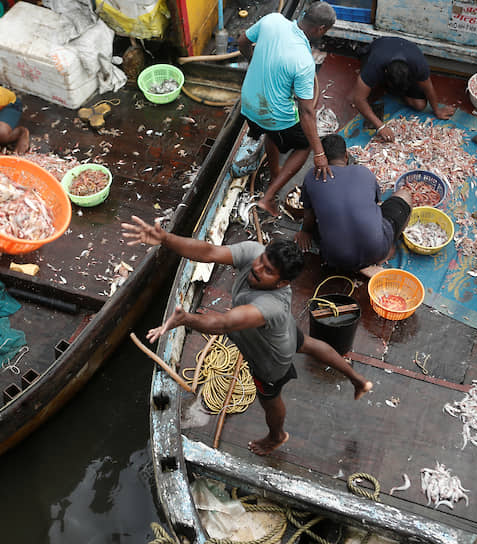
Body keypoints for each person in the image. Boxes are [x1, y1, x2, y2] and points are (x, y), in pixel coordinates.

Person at [122, 216, 373, 456]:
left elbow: (223, 324)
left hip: (271, 359)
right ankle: (358, 380)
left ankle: (277, 436)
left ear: (281, 283)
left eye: (268, 271)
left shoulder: (268, 306)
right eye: (262, 260)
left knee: (269, 397)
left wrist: (187, 319)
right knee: (307, 343)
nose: (257, 268)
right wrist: (166, 238)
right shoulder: (254, 252)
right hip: (285, 330)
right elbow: (209, 252)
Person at [237, 2, 336, 217]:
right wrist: (319, 153)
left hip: (247, 105)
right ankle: (269, 197)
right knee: (304, 145)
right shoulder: (304, 61)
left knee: (273, 135)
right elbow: (307, 112)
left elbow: (242, 41)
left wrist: (253, 60)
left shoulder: (272, 20)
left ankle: (275, 173)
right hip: (273, 116)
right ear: (320, 29)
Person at [294, 134, 412, 277]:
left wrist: (305, 232)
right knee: (404, 195)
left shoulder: (312, 177)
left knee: (328, 224)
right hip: (377, 250)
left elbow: (309, 213)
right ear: (346, 156)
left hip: (335, 258)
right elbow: (374, 205)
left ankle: (357, 265)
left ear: (320, 158)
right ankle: (385, 251)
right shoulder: (364, 172)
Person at [352, 37, 455, 142]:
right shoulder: (374, 65)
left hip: (404, 55)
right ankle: (381, 84)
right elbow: (358, 99)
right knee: (365, 89)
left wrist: (436, 110)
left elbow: (429, 88)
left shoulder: (418, 65)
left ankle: (397, 89)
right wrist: (380, 126)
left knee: (420, 105)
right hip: (377, 50)